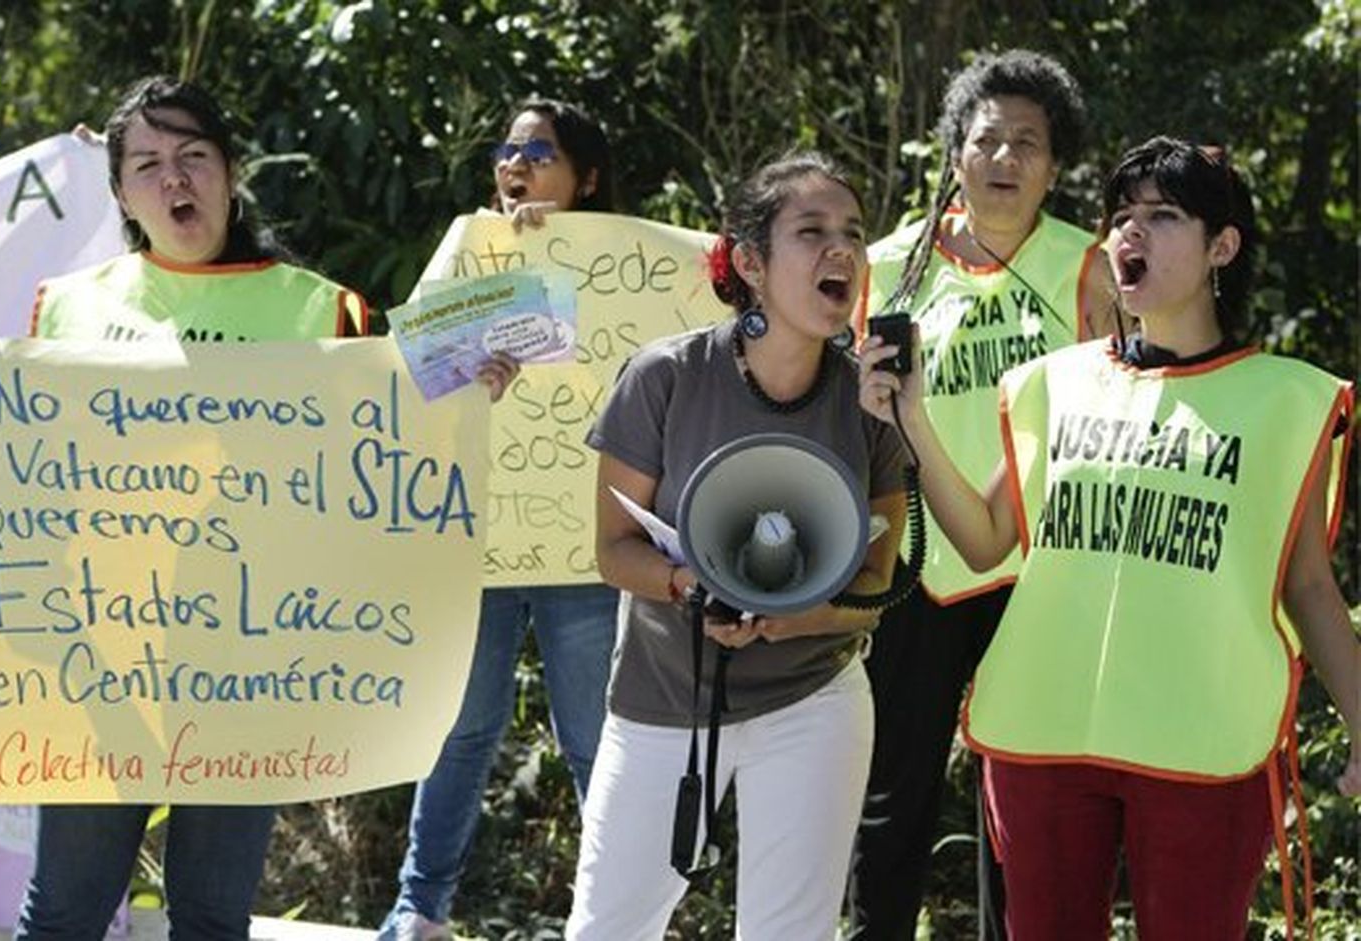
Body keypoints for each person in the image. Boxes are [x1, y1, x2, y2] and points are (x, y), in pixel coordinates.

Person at [0, 75, 515, 940]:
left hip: (252, 666)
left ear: (232, 171)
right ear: (121, 192)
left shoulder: (318, 306)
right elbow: (19, 455)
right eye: (149, 164)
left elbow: (384, 442)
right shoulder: (66, 304)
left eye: (194, 156)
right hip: (99, 661)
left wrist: (468, 382)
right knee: (63, 915)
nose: (175, 180)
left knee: (209, 919)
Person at [859, 136, 1360, 940]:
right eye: (1122, 217)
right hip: (1045, 733)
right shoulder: (1053, 382)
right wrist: (910, 417)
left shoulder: (1284, 401)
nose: (1131, 233)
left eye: (1162, 216)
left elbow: (1307, 585)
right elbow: (987, 541)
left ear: (1221, 246)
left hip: (1203, 738)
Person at [565, 151, 907, 940]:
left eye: (853, 234)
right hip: (665, 696)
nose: (842, 253)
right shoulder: (664, 377)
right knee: (607, 926)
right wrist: (692, 585)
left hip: (813, 699)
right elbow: (614, 549)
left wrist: (792, 617)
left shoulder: (869, 405)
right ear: (750, 262)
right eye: (812, 232)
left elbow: (876, 579)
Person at [846, 49, 1120, 940]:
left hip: (1044, 575)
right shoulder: (891, 267)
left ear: (1055, 163)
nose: (1004, 159)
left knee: (1027, 803)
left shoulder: (1096, 269)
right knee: (894, 795)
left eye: (1027, 143)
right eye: (986, 139)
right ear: (954, 153)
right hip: (917, 563)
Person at [377, 97, 619, 941]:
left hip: (580, 544)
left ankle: (616, 917)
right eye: (507, 150)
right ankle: (420, 908)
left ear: (585, 179)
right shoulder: (467, 243)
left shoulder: (624, 263)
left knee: (597, 743)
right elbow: (408, 362)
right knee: (460, 732)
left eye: (541, 151)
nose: (516, 165)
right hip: (475, 536)